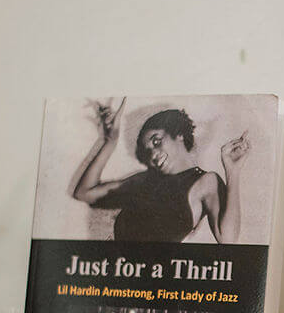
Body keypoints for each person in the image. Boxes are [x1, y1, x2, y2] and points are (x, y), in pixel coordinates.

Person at [72, 100, 250, 243]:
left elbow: (227, 239)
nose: (153, 154)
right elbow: (84, 193)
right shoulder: (143, 180)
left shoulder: (206, 182)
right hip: (117, 269)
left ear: (179, 134)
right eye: (147, 150)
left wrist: (232, 172)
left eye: (156, 142)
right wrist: (110, 140)